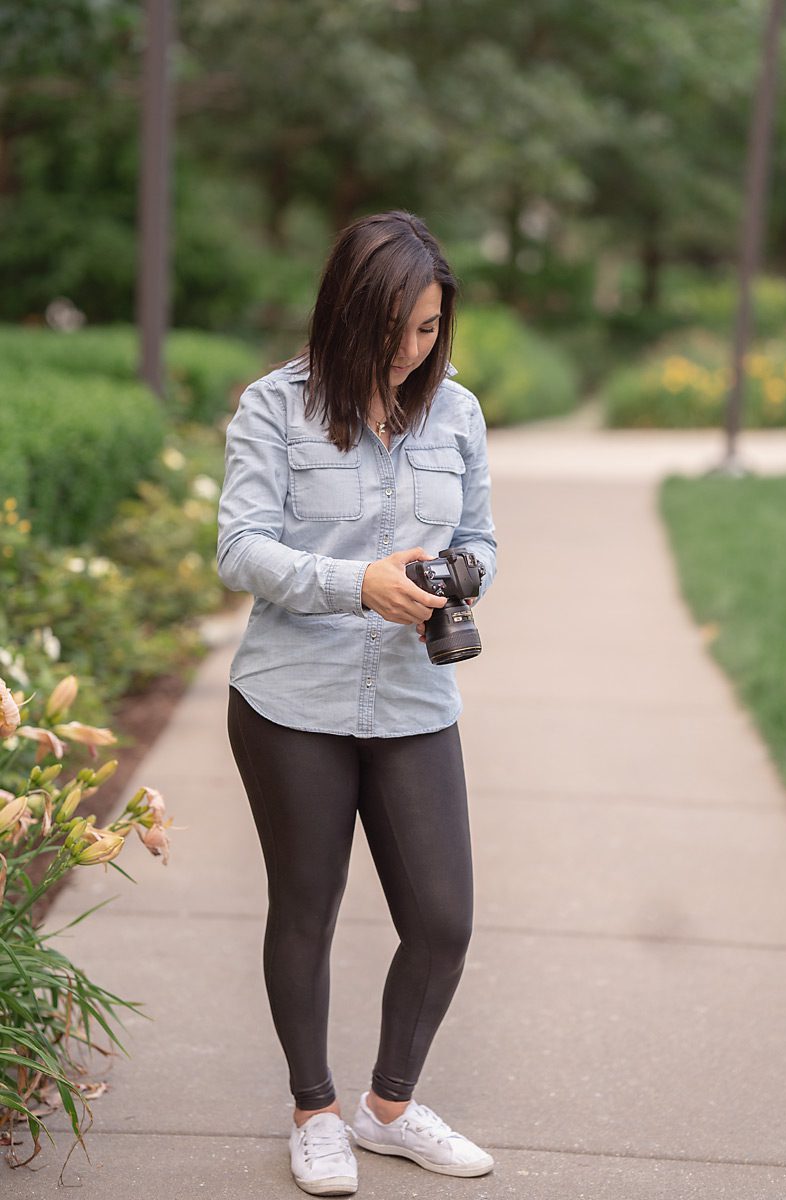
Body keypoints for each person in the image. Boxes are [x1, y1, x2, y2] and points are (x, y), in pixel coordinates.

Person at [217, 210, 498, 1196]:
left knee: (442, 918)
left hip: (415, 698)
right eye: (390, 332)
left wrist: (462, 570)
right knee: (308, 909)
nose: (408, 352)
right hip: (292, 697)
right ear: (345, 313)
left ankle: (388, 1108)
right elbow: (240, 548)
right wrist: (354, 584)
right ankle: (314, 1112)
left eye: (426, 330)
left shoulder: (454, 413)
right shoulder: (272, 407)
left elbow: (482, 537)